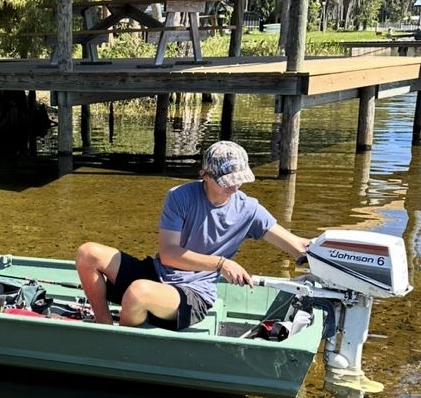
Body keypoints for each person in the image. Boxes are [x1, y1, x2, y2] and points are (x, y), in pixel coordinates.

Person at [76, 140, 311, 330]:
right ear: (204, 175)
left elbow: (297, 246)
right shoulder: (180, 197)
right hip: (160, 272)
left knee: (138, 292)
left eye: (239, 179)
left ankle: (123, 344)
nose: (234, 186)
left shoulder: (249, 209)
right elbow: (168, 254)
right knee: (87, 254)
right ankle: (104, 327)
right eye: (227, 181)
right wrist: (221, 264)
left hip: (193, 294)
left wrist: (326, 252)